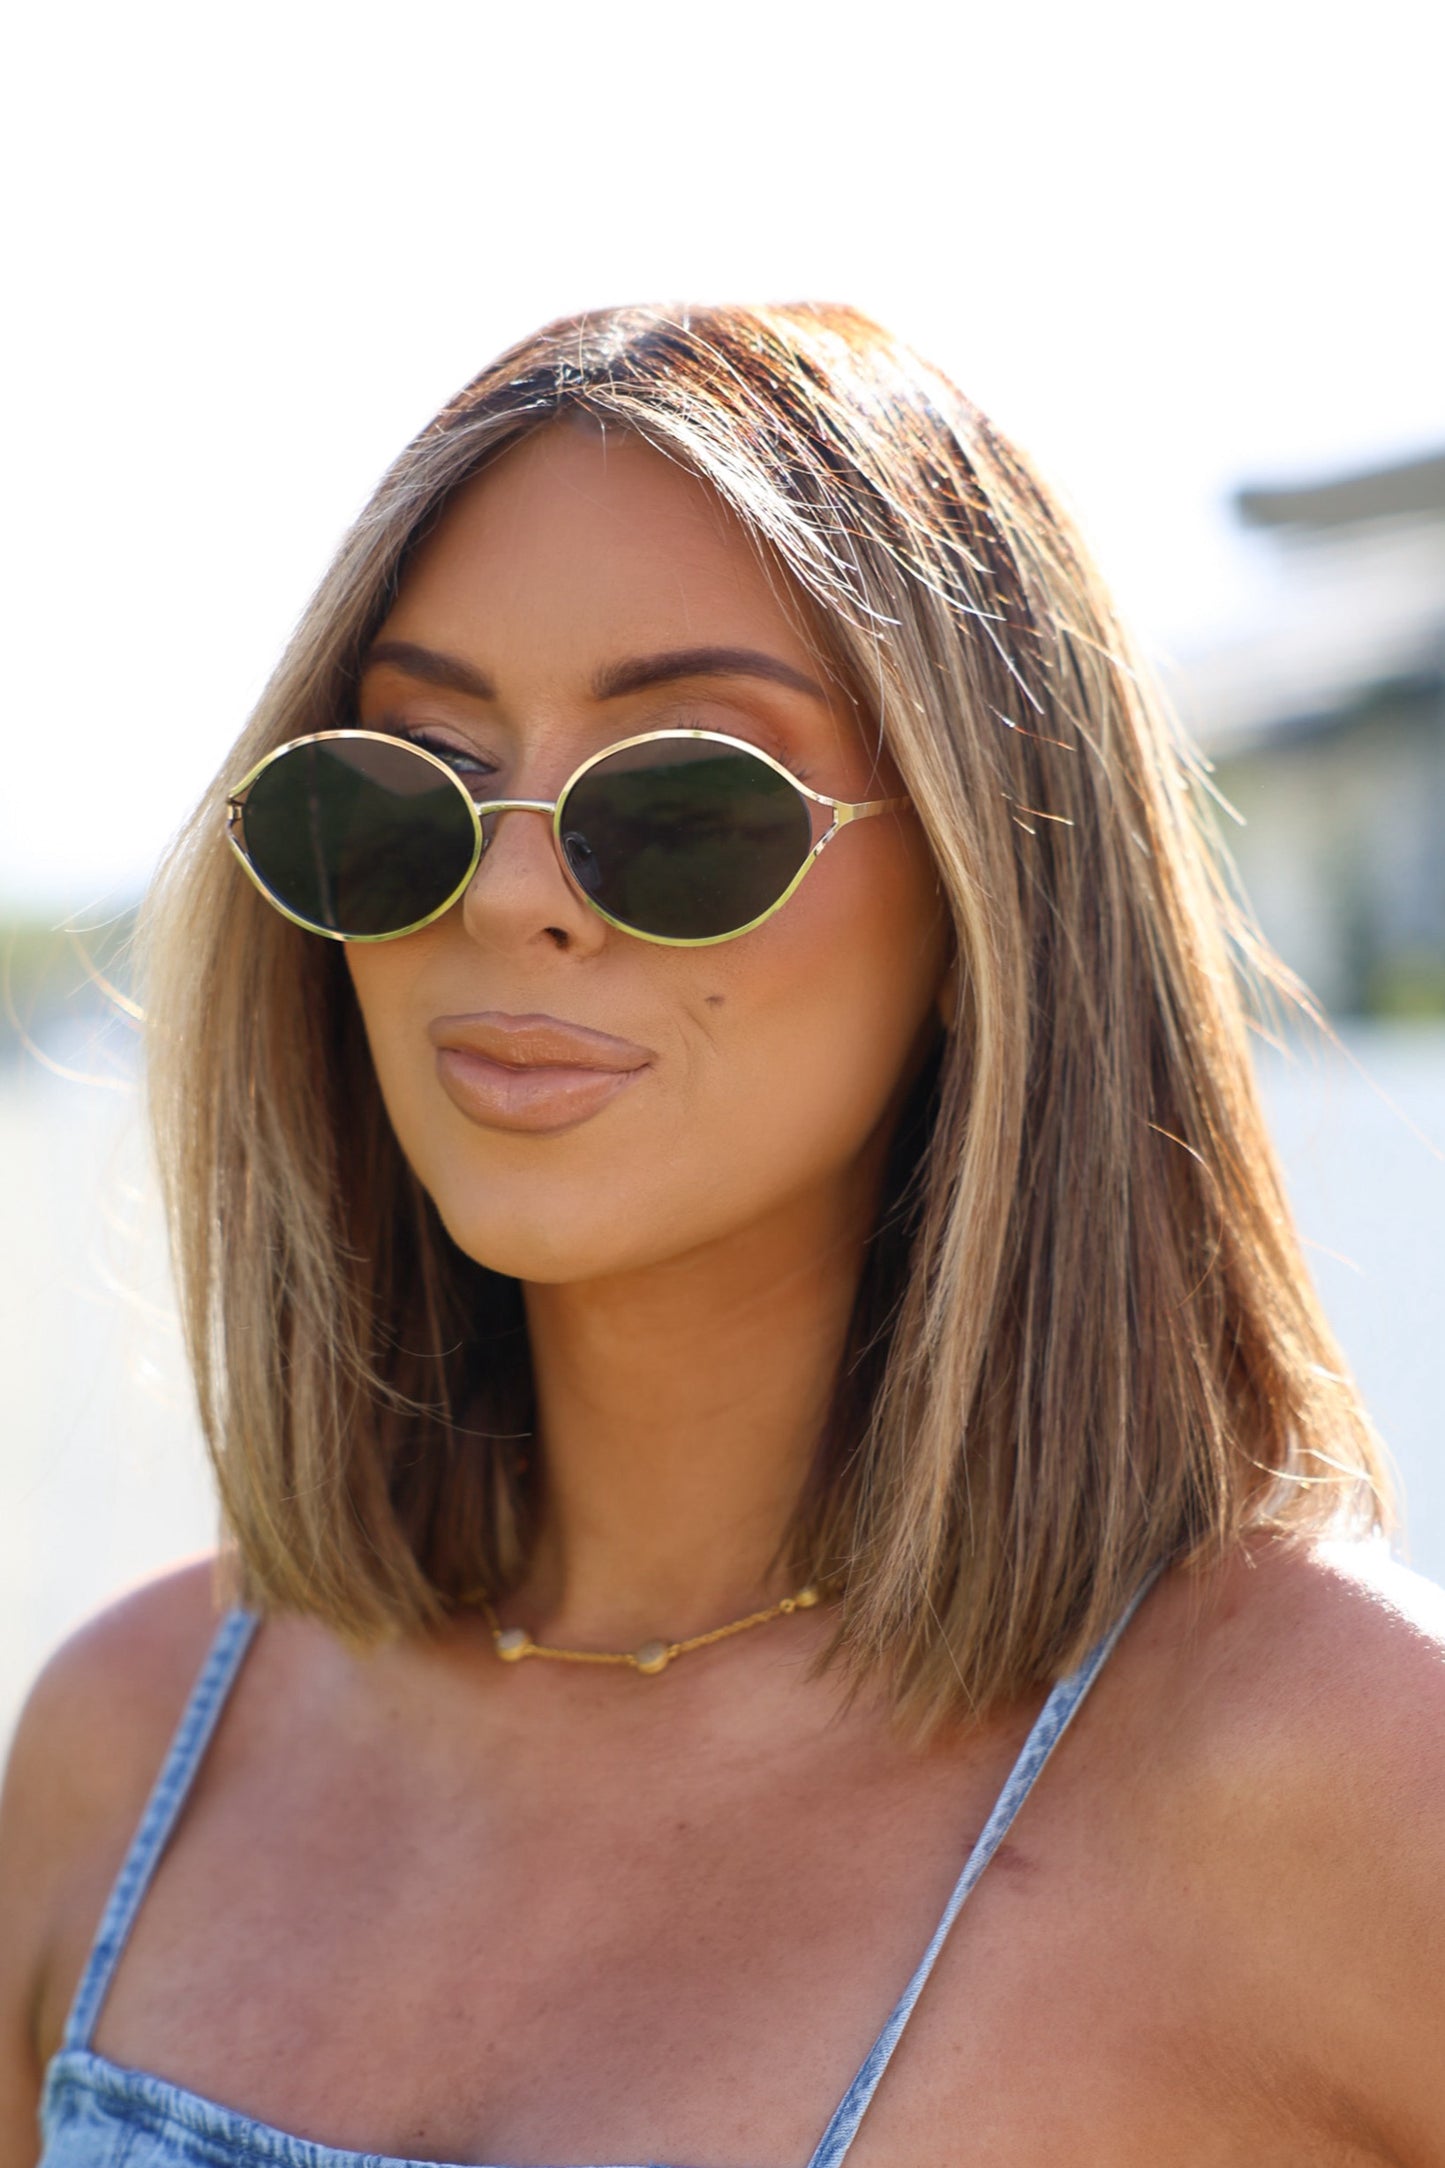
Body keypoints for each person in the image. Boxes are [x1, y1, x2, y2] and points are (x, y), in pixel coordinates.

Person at [1, 302, 1442, 2168]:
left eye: (679, 805)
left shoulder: (1328, 1774)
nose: (509, 891)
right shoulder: (133, 1751)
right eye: (399, 797)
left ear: (990, 887)